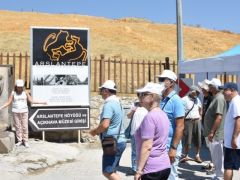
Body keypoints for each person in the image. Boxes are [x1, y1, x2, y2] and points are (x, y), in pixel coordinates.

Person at [89, 80, 126, 180]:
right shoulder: (118, 103)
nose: (100, 93)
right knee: (113, 170)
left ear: (106, 91)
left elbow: (105, 125)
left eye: (101, 90)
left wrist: (94, 131)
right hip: (119, 141)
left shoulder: (109, 105)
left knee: (107, 172)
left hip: (112, 143)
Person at [134, 82, 171, 180]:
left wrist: (139, 170)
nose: (140, 97)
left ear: (152, 97)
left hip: (151, 169)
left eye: (143, 94)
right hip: (164, 166)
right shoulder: (163, 114)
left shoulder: (150, 117)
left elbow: (147, 146)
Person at [0, 79, 47, 148]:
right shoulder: (13, 93)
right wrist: (1, 107)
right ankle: (19, 141)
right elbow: (8, 102)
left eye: (21, 87)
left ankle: (25, 141)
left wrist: (42, 102)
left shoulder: (25, 93)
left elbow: (31, 100)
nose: (20, 88)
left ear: (23, 87)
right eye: (18, 87)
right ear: (16, 86)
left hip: (24, 112)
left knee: (25, 126)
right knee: (18, 127)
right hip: (15, 112)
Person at [157, 70, 185, 180]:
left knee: (171, 177)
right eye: (159, 79)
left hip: (170, 147)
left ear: (171, 83)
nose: (160, 82)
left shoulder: (176, 101)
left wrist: (173, 148)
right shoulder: (161, 99)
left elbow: (180, 126)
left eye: (162, 80)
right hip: (161, 146)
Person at [204, 78, 227, 180]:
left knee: (218, 156)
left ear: (213, 88)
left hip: (216, 134)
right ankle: (218, 174)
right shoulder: (216, 97)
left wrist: (212, 132)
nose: (208, 88)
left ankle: (220, 176)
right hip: (213, 133)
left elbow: (219, 117)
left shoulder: (219, 98)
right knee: (216, 156)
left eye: (210, 86)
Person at [126, 94, 148, 175]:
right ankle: (134, 169)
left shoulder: (148, 105)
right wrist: (132, 110)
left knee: (144, 151)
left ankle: (144, 169)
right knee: (134, 152)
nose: (141, 98)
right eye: (139, 96)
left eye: (142, 96)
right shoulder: (135, 104)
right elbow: (128, 116)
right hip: (134, 132)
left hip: (145, 133)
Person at [222, 83, 240, 180]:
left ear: (232, 90)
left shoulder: (235, 102)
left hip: (233, 143)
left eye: (225, 90)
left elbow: (238, 120)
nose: (223, 93)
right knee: (230, 166)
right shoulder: (234, 101)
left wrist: (234, 139)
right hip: (232, 142)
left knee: (228, 167)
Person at [181, 85, 203, 163]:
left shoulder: (197, 100)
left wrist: (200, 116)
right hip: (188, 121)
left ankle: (197, 155)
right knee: (187, 139)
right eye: (196, 92)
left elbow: (200, 108)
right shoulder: (184, 99)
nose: (197, 94)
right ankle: (186, 155)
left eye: (198, 92)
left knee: (198, 139)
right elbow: (181, 112)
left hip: (197, 121)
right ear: (191, 91)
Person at [198, 80, 214, 173]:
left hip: (211, 126)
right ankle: (212, 163)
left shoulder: (212, 98)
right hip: (206, 125)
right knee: (209, 147)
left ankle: (214, 165)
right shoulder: (205, 97)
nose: (202, 90)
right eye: (202, 88)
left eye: (204, 88)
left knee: (213, 148)